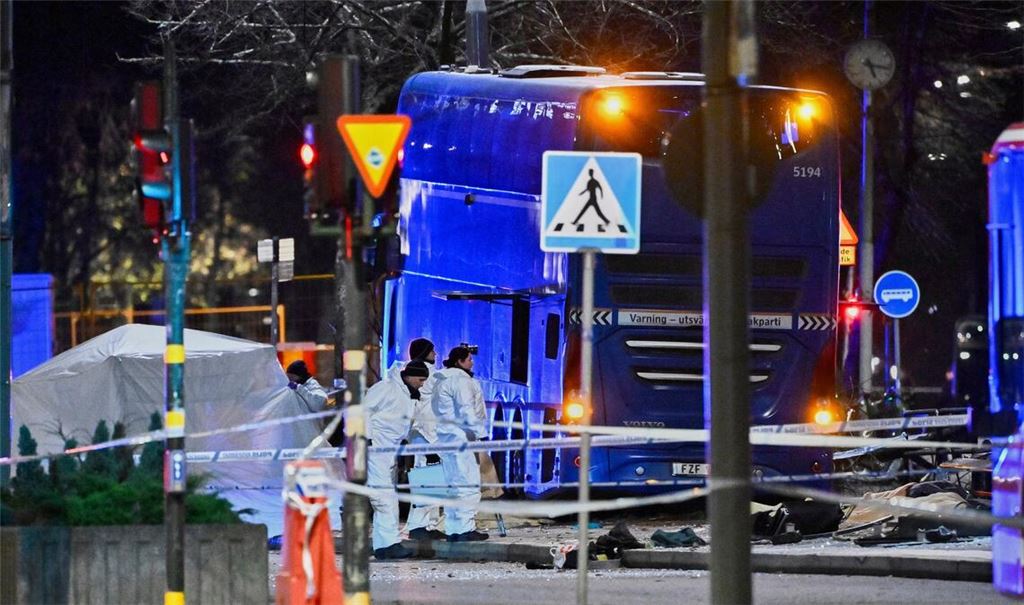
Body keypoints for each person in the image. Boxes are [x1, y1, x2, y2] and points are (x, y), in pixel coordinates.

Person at [365, 359, 430, 560]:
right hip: (376, 449)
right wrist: (366, 439)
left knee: (385, 496)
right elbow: (362, 410)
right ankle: (388, 544)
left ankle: (385, 545)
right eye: (420, 380)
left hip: (387, 451)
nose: (422, 384)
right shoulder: (385, 389)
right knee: (383, 497)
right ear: (410, 377)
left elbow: (411, 425)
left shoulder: (409, 396)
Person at [432, 346, 489, 542]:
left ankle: (453, 528)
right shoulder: (461, 381)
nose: (472, 362)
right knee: (468, 483)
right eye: (469, 359)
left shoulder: (441, 379)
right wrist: (481, 434)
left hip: (445, 438)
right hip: (463, 438)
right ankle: (464, 528)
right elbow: (467, 410)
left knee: (453, 485)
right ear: (459, 361)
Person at [402, 338, 447, 541]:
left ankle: (426, 525)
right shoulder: (428, 376)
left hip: (424, 435)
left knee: (430, 480)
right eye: (432, 351)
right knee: (427, 480)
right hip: (427, 435)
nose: (435, 354)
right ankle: (420, 526)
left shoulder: (416, 374)